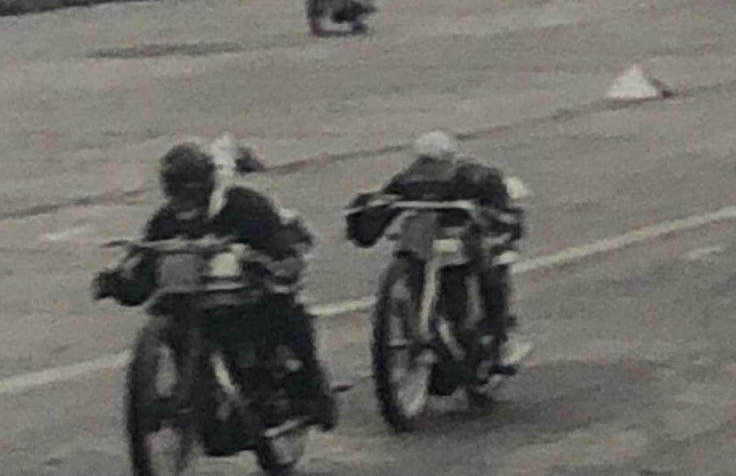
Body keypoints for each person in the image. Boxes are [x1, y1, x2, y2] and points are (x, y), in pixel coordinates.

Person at [92, 142, 338, 430]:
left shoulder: (244, 206)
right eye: (176, 192)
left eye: (189, 193)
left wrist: (265, 264)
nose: (183, 202)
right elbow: (146, 270)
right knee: (168, 309)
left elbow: (283, 251)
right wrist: (118, 283)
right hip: (195, 302)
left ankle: (312, 389)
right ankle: (199, 397)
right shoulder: (164, 221)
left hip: (248, 297)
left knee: (284, 309)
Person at [350, 132, 526, 373]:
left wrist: (492, 222)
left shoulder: (474, 176)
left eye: (433, 162)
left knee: (490, 263)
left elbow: (504, 213)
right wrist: (368, 217)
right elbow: (382, 206)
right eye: (424, 162)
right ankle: (441, 329)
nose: (428, 170)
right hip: (428, 241)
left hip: (460, 239)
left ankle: (502, 336)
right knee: (427, 270)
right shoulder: (408, 179)